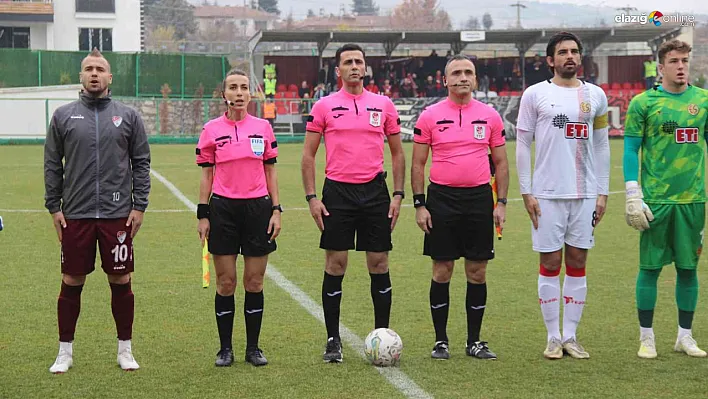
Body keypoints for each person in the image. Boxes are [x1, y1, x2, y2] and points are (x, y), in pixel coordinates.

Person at [44, 48, 151, 373]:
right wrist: (54, 206)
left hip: (117, 214)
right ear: (81, 76)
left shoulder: (128, 116)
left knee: (120, 278)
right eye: (88, 68)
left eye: (100, 69)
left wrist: (140, 205)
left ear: (109, 77)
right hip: (75, 214)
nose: (94, 73)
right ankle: (65, 352)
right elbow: (52, 163)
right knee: (72, 279)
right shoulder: (63, 116)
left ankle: (125, 349)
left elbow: (141, 162)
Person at [301, 43, 405, 363]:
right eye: (348, 62)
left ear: (366, 68)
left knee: (379, 264)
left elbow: (399, 153)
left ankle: (381, 336)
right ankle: (333, 340)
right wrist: (312, 198)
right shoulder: (324, 106)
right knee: (336, 265)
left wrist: (398, 195)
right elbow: (308, 155)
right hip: (338, 193)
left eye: (359, 61)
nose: (354, 67)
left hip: (375, 192)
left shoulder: (383, 104)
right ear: (338, 71)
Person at [515, 32, 610, 360]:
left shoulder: (595, 95)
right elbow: (523, 145)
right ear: (550, 60)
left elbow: (601, 144)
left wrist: (603, 192)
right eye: (563, 52)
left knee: (578, 262)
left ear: (580, 57)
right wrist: (526, 192)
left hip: (584, 195)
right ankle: (552, 337)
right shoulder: (535, 94)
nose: (570, 56)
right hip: (547, 195)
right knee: (550, 262)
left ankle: (571, 336)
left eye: (574, 51)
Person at [411, 54, 509, 360]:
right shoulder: (429, 115)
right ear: (445, 80)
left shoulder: (490, 116)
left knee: (477, 271)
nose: (462, 77)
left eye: (468, 72)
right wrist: (420, 205)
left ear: (476, 79)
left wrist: (502, 203)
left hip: (479, 199)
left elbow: (502, 163)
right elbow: (417, 163)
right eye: (456, 73)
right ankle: (441, 341)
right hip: (441, 200)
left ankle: (474, 341)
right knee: (442, 270)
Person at [623, 39, 708, 359]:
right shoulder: (644, 103)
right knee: (650, 268)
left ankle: (684, 337)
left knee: (689, 269)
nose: (681, 66)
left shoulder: (703, 101)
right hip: (656, 201)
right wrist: (633, 192)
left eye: (685, 60)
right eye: (674, 61)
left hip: (693, 201)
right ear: (661, 67)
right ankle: (647, 337)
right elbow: (631, 149)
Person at [196, 68, 282, 367]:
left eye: (244, 87)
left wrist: (276, 210)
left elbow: (271, 171)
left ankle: (253, 349)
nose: (239, 93)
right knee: (226, 282)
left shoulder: (263, 128)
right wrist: (203, 214)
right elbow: (207, 175)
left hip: (258, 209)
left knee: (254, 281)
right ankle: (225, 349)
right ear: (224, 94)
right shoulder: (211, 130)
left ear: (250, 93)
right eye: (233, 87)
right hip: (223, 210)